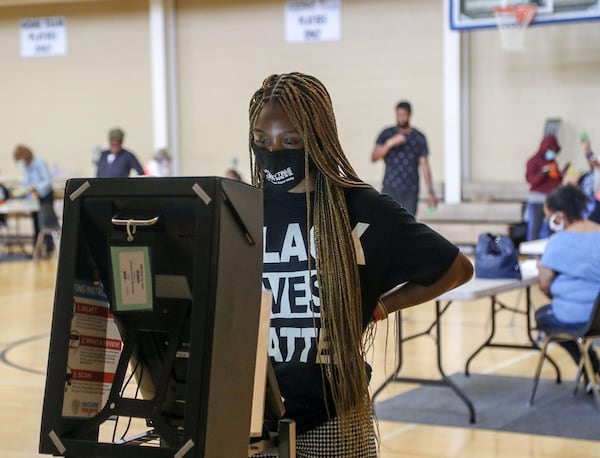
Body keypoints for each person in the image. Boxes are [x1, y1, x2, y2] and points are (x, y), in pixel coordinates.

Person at [248, 72, 473, 457]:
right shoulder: (242, 208)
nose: (273, 150)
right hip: (253, 419)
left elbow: (455, 268)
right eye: (261, 141)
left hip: (334, 419)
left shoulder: (361, 208)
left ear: (316, 138)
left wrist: (382, 307)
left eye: (290, 141)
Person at [534, 184, 600, 386]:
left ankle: (592, 372)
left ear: (558, 215)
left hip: (576, 317)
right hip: (598, 315)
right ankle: (592, 371)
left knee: (543, 317)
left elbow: (544, 284)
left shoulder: (559, 242)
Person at [371, 100, 438, 216]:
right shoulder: (387, 133)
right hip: (390, 187)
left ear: (409, 115)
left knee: (408, 225)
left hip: (410, 189)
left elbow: (425, 165)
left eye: (404, 115)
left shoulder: (418, 137)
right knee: (386, 221)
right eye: (398, 115)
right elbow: (374, 157)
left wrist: (430, 191)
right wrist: (390, 143)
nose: (401, 118)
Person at [13, 144, 59, 255]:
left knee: (45, 222)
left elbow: (47, 181)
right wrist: (24, 188)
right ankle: (37, 248)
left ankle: (49, 248)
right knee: (35, 222)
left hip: (45, 195)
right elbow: (26, 181)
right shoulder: (25, 164)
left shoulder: (39, 163)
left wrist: (36, 187)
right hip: (34, 196)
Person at [525, 134, 564, 241]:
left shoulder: (553, 163)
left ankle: (554, 248)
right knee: (536, 226)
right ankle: (532, 252)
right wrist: (543, 173)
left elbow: (557, 181)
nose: (552, 152)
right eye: (550, 149)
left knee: (554, 226)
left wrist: (562, 175)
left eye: (554, 150)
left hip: (552, 200)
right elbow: (530, 179)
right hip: (538, 200)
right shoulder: (533, 161)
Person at [581, 134, 600, 223]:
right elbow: (593, 162)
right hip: (597, 197)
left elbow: (594, 163)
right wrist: (587, 150)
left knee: (592, 222)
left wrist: (587, 150)